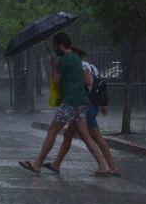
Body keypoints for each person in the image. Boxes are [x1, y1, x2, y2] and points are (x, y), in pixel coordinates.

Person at [20, 33, 113, 176]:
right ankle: (104, 166)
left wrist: (54, 66)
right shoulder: (76, 58)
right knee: (86, 136)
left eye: (54, 45)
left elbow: (56, 80)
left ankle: (37, 164)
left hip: (70, 103)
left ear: (59, 44)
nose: (54, 48)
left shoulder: (64, 59)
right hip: (81, 101)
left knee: (52, 131)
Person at [44, 49, 118, 175]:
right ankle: (56, 164)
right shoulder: (89, 66)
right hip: (88, 105)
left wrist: (70, 77)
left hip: (84, 105)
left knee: (94, 137)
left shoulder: (82, 66)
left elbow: (88, 82)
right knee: (68, 135)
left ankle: (109, 167)